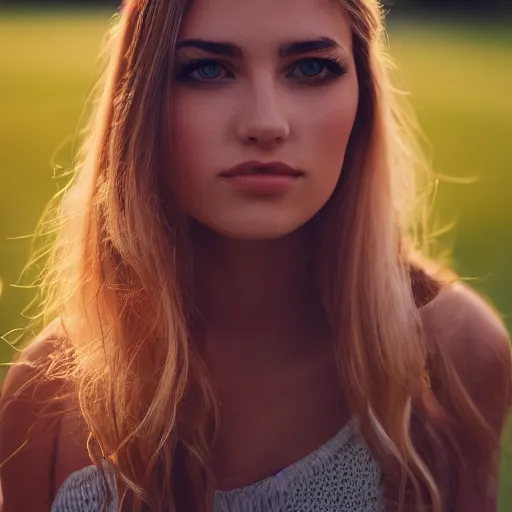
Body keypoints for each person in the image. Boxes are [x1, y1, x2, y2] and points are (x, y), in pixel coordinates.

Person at [1, 0, 511, 511]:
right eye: (207, 69)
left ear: (365, 97)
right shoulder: (46, 399)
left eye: (311, 67)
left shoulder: (454, 356)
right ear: (141, 103)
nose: (266, 123)